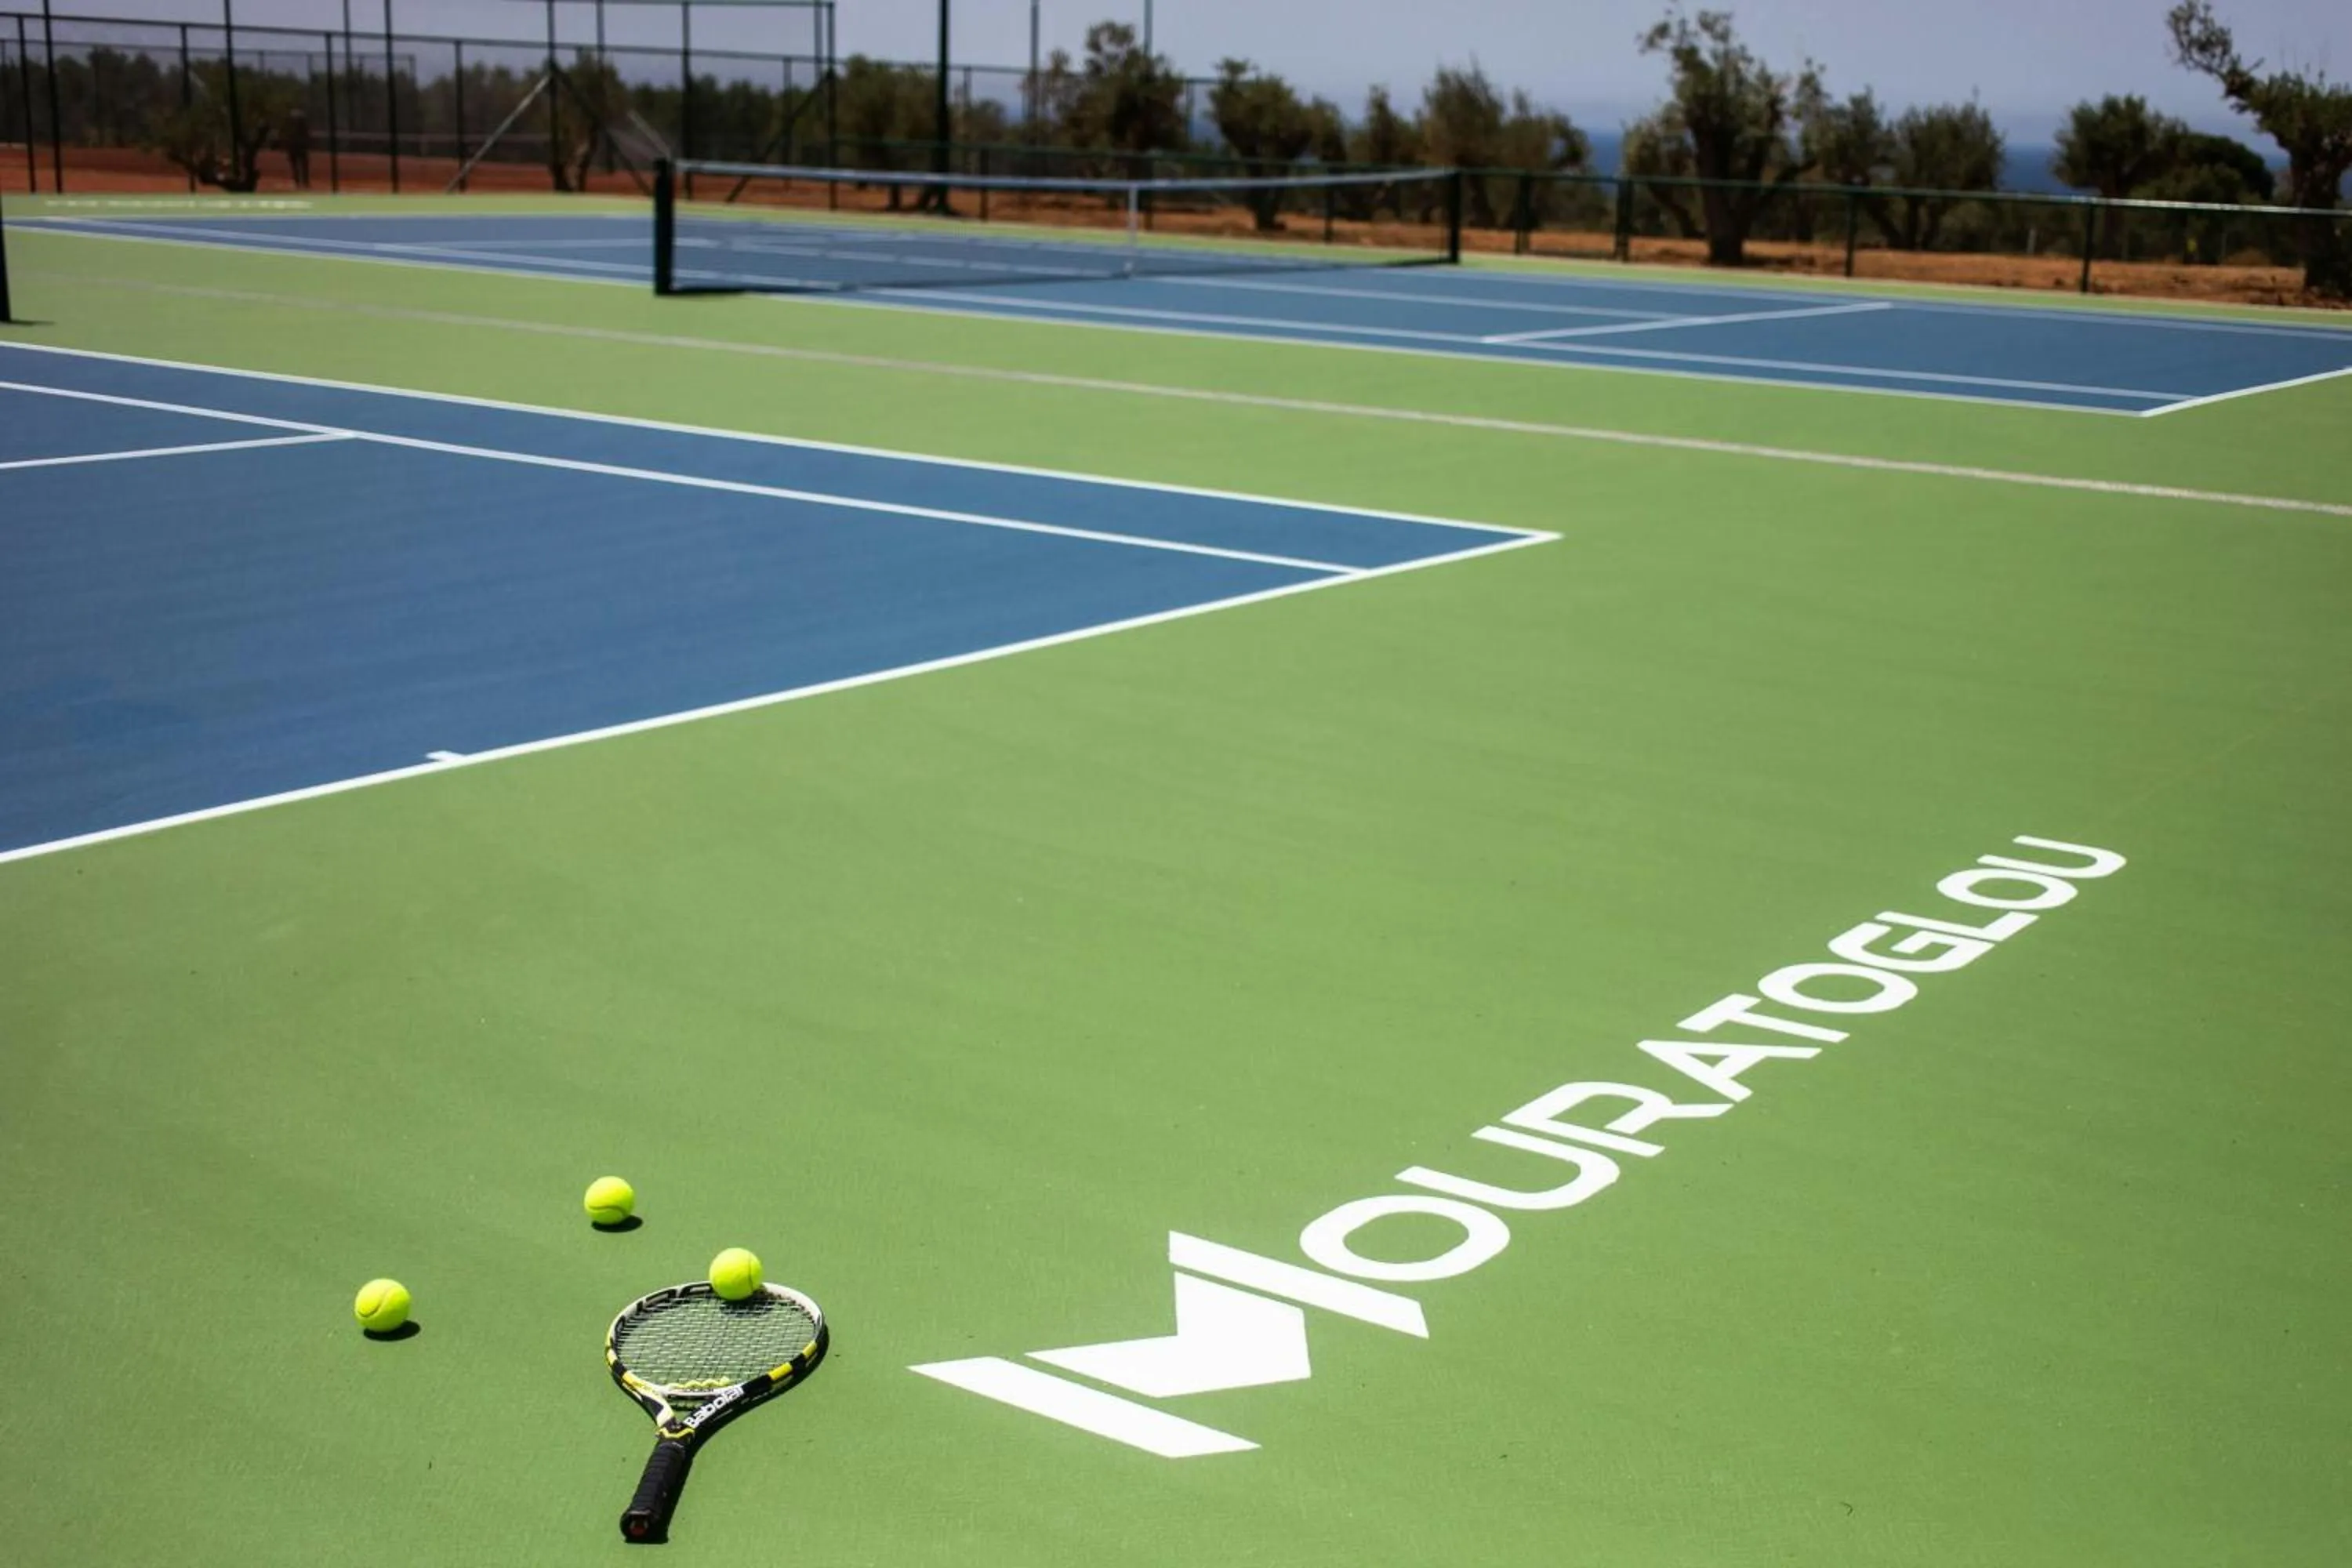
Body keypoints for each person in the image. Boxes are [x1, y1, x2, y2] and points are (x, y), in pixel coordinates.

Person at [282, 108, 312, 190]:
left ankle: (300, 182)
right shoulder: (301, 127)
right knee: (301, 165)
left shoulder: (291, 127)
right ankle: (302, 182)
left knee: (297, 165)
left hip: (296, 147)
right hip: (298, 147)